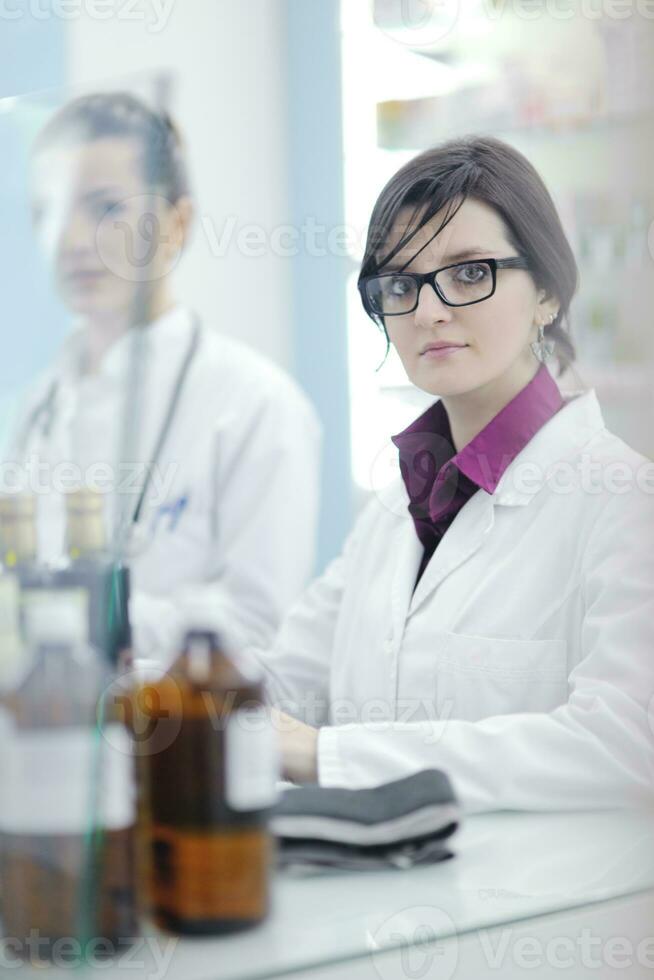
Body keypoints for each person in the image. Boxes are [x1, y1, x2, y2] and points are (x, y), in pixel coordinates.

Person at [253, 135, 654, 813]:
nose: (431, 310)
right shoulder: (392, 510)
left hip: (550, 911)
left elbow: (624, 744)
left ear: (548, 293)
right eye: (402, 284)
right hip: (375, 904)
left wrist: (326, 755)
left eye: (470, 273)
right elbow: (279, 687)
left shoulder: (621, 503)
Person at [8, 92, 322, 659]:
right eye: (49, 212)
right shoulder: (36, 406)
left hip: (177, 739)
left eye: (106, 208)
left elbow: (256, 630)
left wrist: (83, 614)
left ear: (176, 224)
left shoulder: (256, 405)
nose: (73, 241)